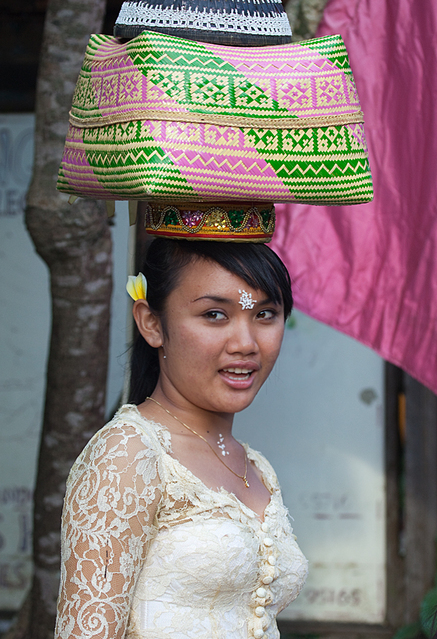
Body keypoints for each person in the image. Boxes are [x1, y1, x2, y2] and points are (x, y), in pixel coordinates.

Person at [54, 237, 308, 639]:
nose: (245, 343)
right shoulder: (127, 453)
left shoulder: (255, 466)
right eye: (213, 314)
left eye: (264, 314)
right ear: (151, 323)